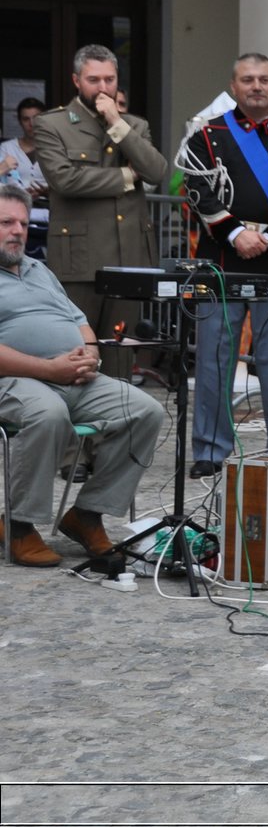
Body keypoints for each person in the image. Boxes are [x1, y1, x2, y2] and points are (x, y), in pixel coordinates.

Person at [0, 184, 164, 566]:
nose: (18, 231)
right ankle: (20, 524)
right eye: (7, 222)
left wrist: (89, 357)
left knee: (144, 410)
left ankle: (87, 515)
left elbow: (79, 322)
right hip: (15, 379)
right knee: (48, 414)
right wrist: (49, 368)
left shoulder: (38, 269)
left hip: (71, 376)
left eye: (23, 223)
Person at [175, 54, 268, 478]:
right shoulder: (208, 135)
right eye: (247, 80)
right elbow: (198, 190)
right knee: (213, 361)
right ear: (234, 86)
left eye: (264, 79)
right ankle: (209, 450)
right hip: (220, 260)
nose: (256, 86)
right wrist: (237, 234)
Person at [31, 44, 170, 377]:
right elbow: (65, 180)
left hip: (130, 258)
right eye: (94, 79)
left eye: (110, 79)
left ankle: (120, 427)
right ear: (77, 80)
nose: (103, 87)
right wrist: (125, 176)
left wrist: (115, 121)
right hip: (79, 258)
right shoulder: (53, 124)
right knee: (77, 352)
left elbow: (155, 171)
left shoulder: (134, 125)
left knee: (120, 355)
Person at [2, 97, 49, 259]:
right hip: (14, 215)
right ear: (19, 121)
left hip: (48, 213)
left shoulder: (55, 148)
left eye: (36, 118)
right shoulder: (6, 148)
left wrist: (49, 191)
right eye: (26, 119)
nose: (31, 124)